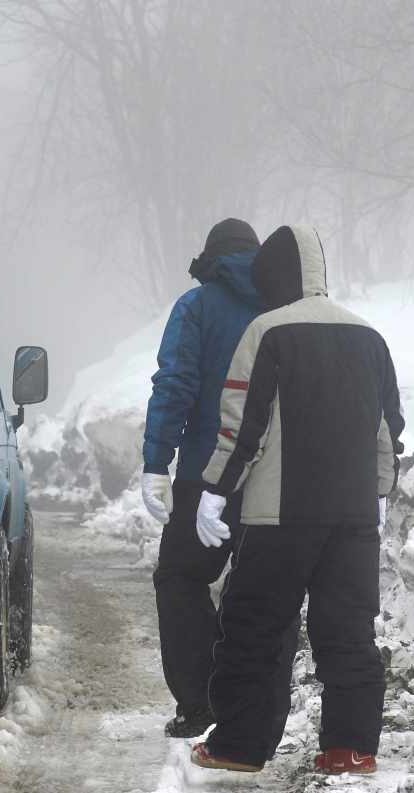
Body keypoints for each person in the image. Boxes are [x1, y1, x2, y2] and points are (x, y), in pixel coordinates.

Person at [190, 224, 404, 776]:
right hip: (353, 517)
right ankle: (350, 748)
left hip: (278, 515)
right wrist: (381, 490)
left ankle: (239, 745)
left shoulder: (267, 332)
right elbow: (388, 428)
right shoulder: (368, 336)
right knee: (349, 629)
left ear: (272, 276)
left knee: (254, 627)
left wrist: (215, 490)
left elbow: (243, 427)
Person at [140, 218, 265, 738]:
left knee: (181, 579)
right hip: (273, 475)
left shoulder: (196, 307)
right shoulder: (282, 306)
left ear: (211, 256)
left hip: (205, 471)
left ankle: (198, 703)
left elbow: (176, 383)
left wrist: (156, 460)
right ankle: (252, 703)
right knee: (258, 589)